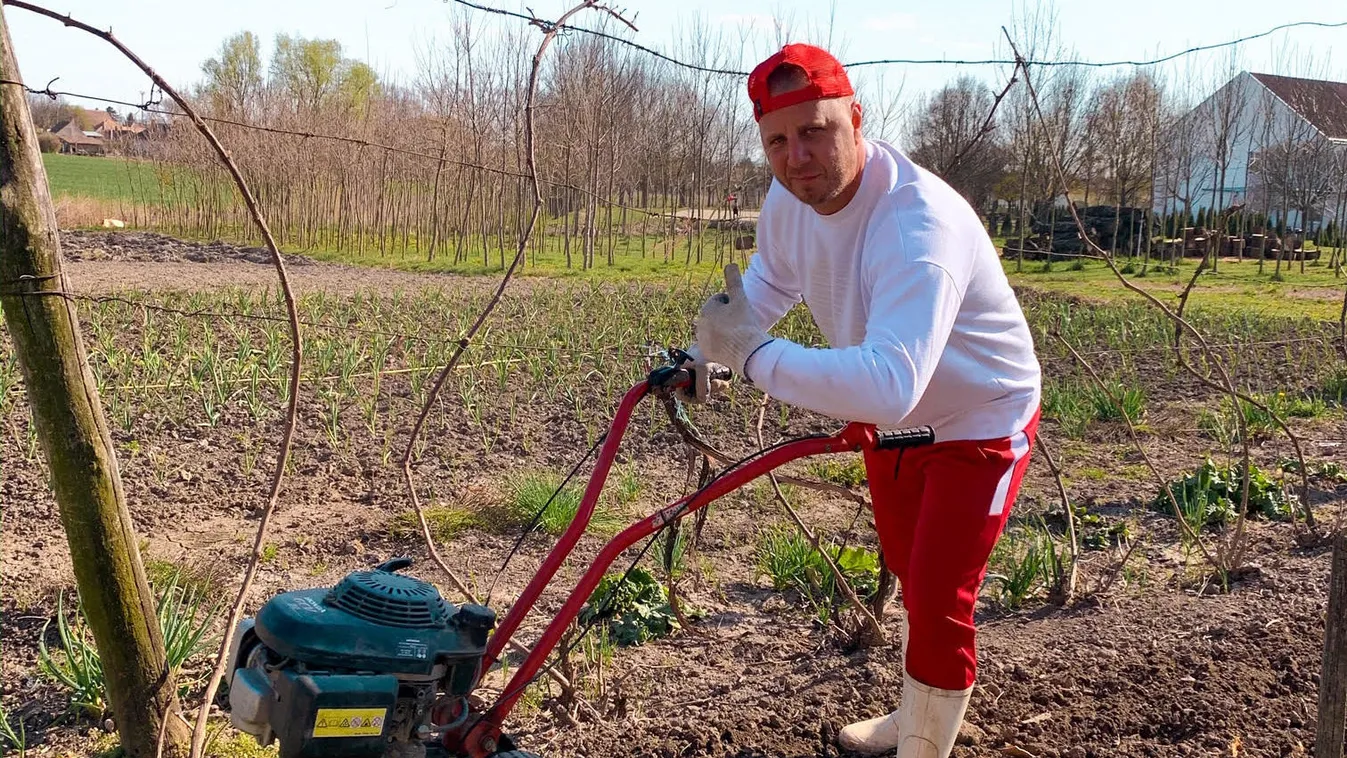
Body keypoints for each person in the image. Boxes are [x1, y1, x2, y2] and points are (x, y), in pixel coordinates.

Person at [678, 43, 1042, 758]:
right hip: (899, 423)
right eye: (777, 141)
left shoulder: (916, 225)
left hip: (979, 418)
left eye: (814, 130)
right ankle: (919, 711)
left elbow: (888, 385)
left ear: (855, 118)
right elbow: (769, 288)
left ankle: (922, 746)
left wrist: (749, 357)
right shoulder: (790, 201)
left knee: (939, 598)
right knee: (910, 568)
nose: (797, 156)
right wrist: (701, 353)